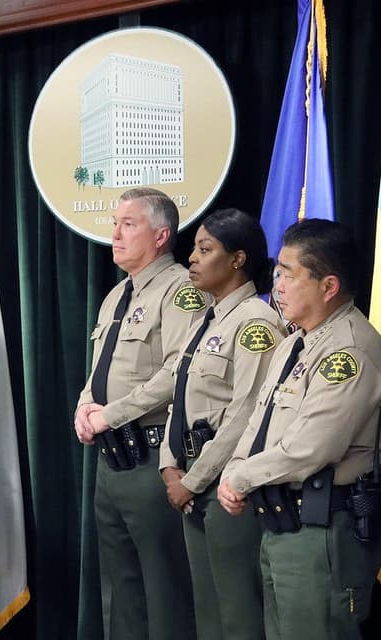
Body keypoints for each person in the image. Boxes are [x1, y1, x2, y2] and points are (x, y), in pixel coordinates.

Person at [218, 219, 381, 640]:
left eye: (288, 274)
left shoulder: (348, 350)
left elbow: (312, 449)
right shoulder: (295, 342)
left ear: (328, 286)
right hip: (280, 526)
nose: (276, 284)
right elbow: (257, 423)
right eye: (276, 272)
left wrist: (241, 477)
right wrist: (236, 467)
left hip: (321, 534)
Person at [75, 187, 206, 640]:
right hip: (111, 464)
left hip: (153, 459)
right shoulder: (115, 296)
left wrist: (113, 414)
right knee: (120, 593)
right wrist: (84, 407)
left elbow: (180, 372)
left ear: (161, 235)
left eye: (128, 224)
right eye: (114, 223)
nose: (115, 234)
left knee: (165, 591)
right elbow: (100, 369)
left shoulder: (181, 291)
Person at [156, 209, 283, 640]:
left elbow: (247, 413)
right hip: (192, 479)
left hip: (227, 486)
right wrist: (170, 466)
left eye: (205, 249)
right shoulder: (207, 320)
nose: (191, 258)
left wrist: (194, 480)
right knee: (207, 616)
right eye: (193, 248)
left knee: (238, 615)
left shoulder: (255, 323)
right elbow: (180, 396)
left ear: (237, 260)